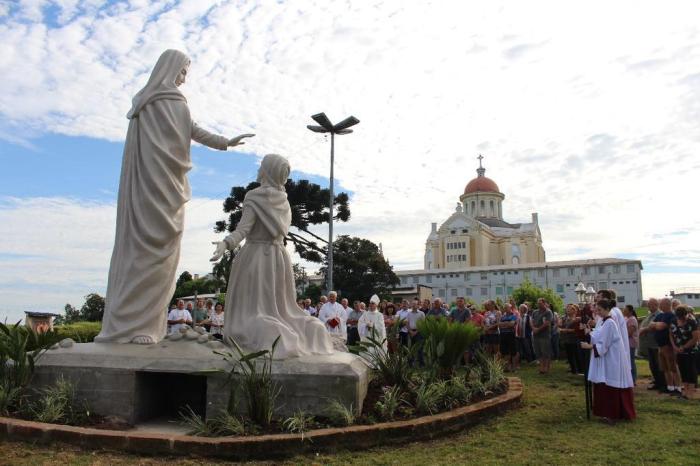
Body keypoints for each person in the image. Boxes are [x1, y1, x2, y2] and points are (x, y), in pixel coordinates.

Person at [96, 49, 254, 345]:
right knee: (141, 253)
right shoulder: (148, 103)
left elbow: (192, 130)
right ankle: (127, 325)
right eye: (183, 71)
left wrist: (224, 142)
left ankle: (147, 324)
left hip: (170, 186)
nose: (184, 78)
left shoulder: (176, 103)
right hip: (148, 186)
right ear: (170, 69)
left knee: (163, 253)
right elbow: (149, 146)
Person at [210, 154, 333, 358]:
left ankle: (263, 333)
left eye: (262, 167)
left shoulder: (254, 196)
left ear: (267, 171)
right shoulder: (283, 200)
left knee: (255, 310)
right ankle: (290, 331)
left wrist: (226, 243)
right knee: (282, 310)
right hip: (278, 257)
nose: (259, 170)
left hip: (255, 258)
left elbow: (243, 228)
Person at [581, 298, 636, 423]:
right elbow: (599, 335)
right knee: (604, 384)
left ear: (607, 309)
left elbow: (604, 344)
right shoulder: (604, 322)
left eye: (599, 310)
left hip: (612, 359)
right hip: (607, 358)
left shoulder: (610, 322)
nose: (598, 312)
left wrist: (589, 346)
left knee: (611, 385)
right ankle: (606, 413)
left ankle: (613, 414)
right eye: (597, 309)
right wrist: (589, 333)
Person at [647, 298, 682, 395]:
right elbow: (651, 325)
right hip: (660, 346)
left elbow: (662, 326)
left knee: (673, 367)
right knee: (665, 368)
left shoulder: (671, 315)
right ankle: (669, 387)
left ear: (667, 304)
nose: (660, 306)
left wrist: (656, 325)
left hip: (668, 345)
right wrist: (655, 324)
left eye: (661, 304)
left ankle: (678, 388)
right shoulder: (660, 315)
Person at [670, 305, 699, 399]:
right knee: (683, 371)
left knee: (691, 371)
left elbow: (695, 338)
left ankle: (690, 393)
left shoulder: (692, 322)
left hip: (691, 351)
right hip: (679, 351)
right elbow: (670, 334)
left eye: (682, 317)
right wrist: (674, 346)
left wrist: (684, 347)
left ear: (686, 314)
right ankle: (685, 392)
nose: (681, 319)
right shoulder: (673, 322)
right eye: (679, 317)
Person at [638, 298, 664, 391]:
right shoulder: (650, 315)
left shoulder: (659, 315)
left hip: (655, 344)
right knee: (652, 365)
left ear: (655, 305)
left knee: (658, 365)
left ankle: (661, 383)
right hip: (649, 344)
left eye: (650, 304)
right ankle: (656, 381)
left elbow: (652, 326)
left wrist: (644, 330)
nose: (648, 306)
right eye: (648, 304)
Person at [560, 304, 583, 375]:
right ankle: (573, 370)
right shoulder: (565, 318)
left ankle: (579, 370)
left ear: (574, 310)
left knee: (575, 355)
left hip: (574, 339)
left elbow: (577, 330)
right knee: (569, 355)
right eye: (567, 309)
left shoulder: (577, 319)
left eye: (569, 309)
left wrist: (565, 330)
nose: (567, 310)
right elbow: (561, 325)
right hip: (567, 339)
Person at [532, 298, 553, 374]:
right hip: (536, 335)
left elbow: (547, 323)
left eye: (540, 303)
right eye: (538, 303)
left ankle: (546, 368)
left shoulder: (548, 312)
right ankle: (541, 367)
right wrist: (533, 328)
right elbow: (532, 321)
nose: (538, 305)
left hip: (544, 335)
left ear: (544, 303)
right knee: (538, 352)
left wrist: (538, 329)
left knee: (545, 352)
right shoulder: (535, 312)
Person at [498, 303, 518, 371]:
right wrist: (507, 323)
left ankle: (514, 367)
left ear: (510, 308)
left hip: (510, 334)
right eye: (505, 307)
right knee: (505, 352)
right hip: (503, 335)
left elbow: (512, 324)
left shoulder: (514, 316)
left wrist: (504, 324)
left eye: (507, 307)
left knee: (513, 351)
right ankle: (507, 367)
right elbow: (499, 325)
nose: (505, 309)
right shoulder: (502, 316)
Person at [406, 299, 426, 366]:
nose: (414, 305)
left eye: (415, 304)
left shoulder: (421, 313)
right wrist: (410, 331)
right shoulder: (409, 313)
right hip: (410, 332)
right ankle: (410, 364)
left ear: (418, 305)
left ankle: (421, 364)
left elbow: (423, 324)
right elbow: (407, 323)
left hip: (419, 332)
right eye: (413, 304)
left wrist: (416, 331)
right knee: (411, 349)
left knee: (419, 348)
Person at [623, 305, 639, 383]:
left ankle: (633, 378)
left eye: (625, 310)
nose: (623, 311)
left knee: (631, 361)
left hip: (631, 343)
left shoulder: (632, 320)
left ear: (630, 311)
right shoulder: (626, 318)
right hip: (627, 343)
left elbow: (629, 333)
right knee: (628, 361)